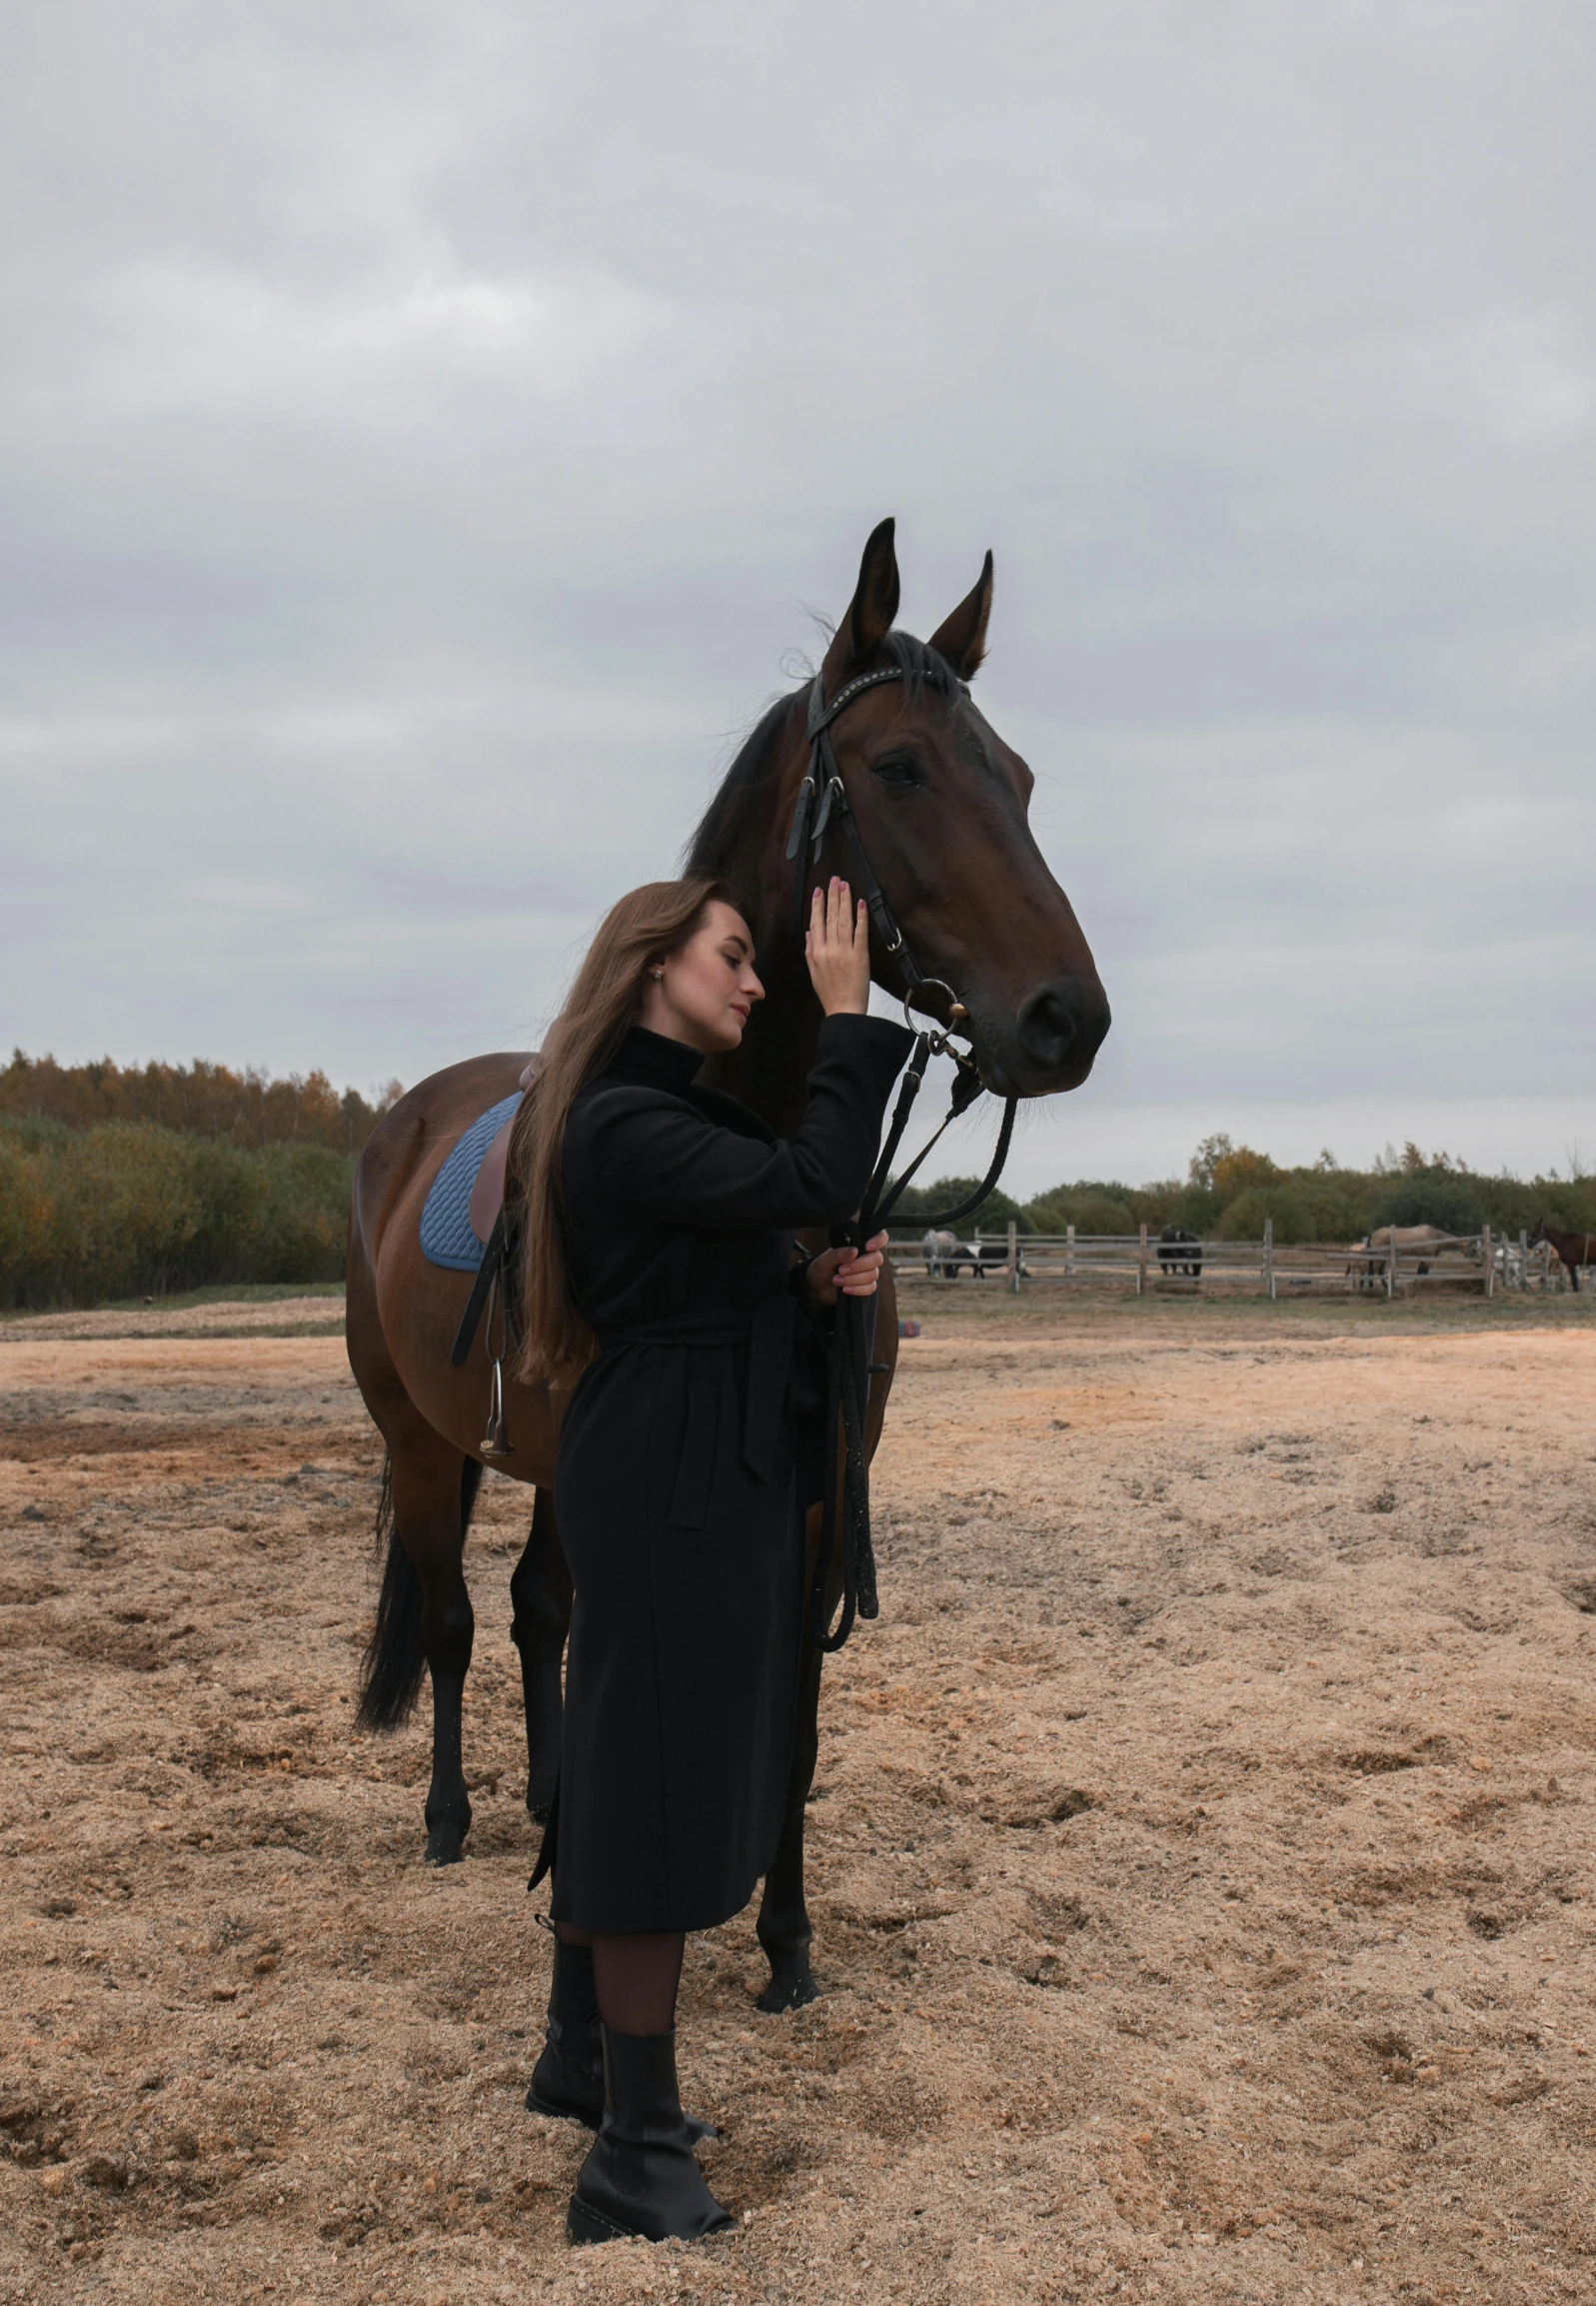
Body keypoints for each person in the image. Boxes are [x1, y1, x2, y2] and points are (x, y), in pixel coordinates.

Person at [506, 872, 914, 2247]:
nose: (758, 983)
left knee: (655, 1754)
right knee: (647, 1776)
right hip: (668, 1472)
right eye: (734, 958)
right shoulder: (622, 1117)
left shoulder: (657, 1115)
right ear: (648, 969)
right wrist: (849, 1016)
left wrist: (800, 1286)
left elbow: (720, 1258)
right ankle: (629, 2153)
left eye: (760, 964)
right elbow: (814, 1177)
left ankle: (593, 2072)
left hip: (689, 1457)